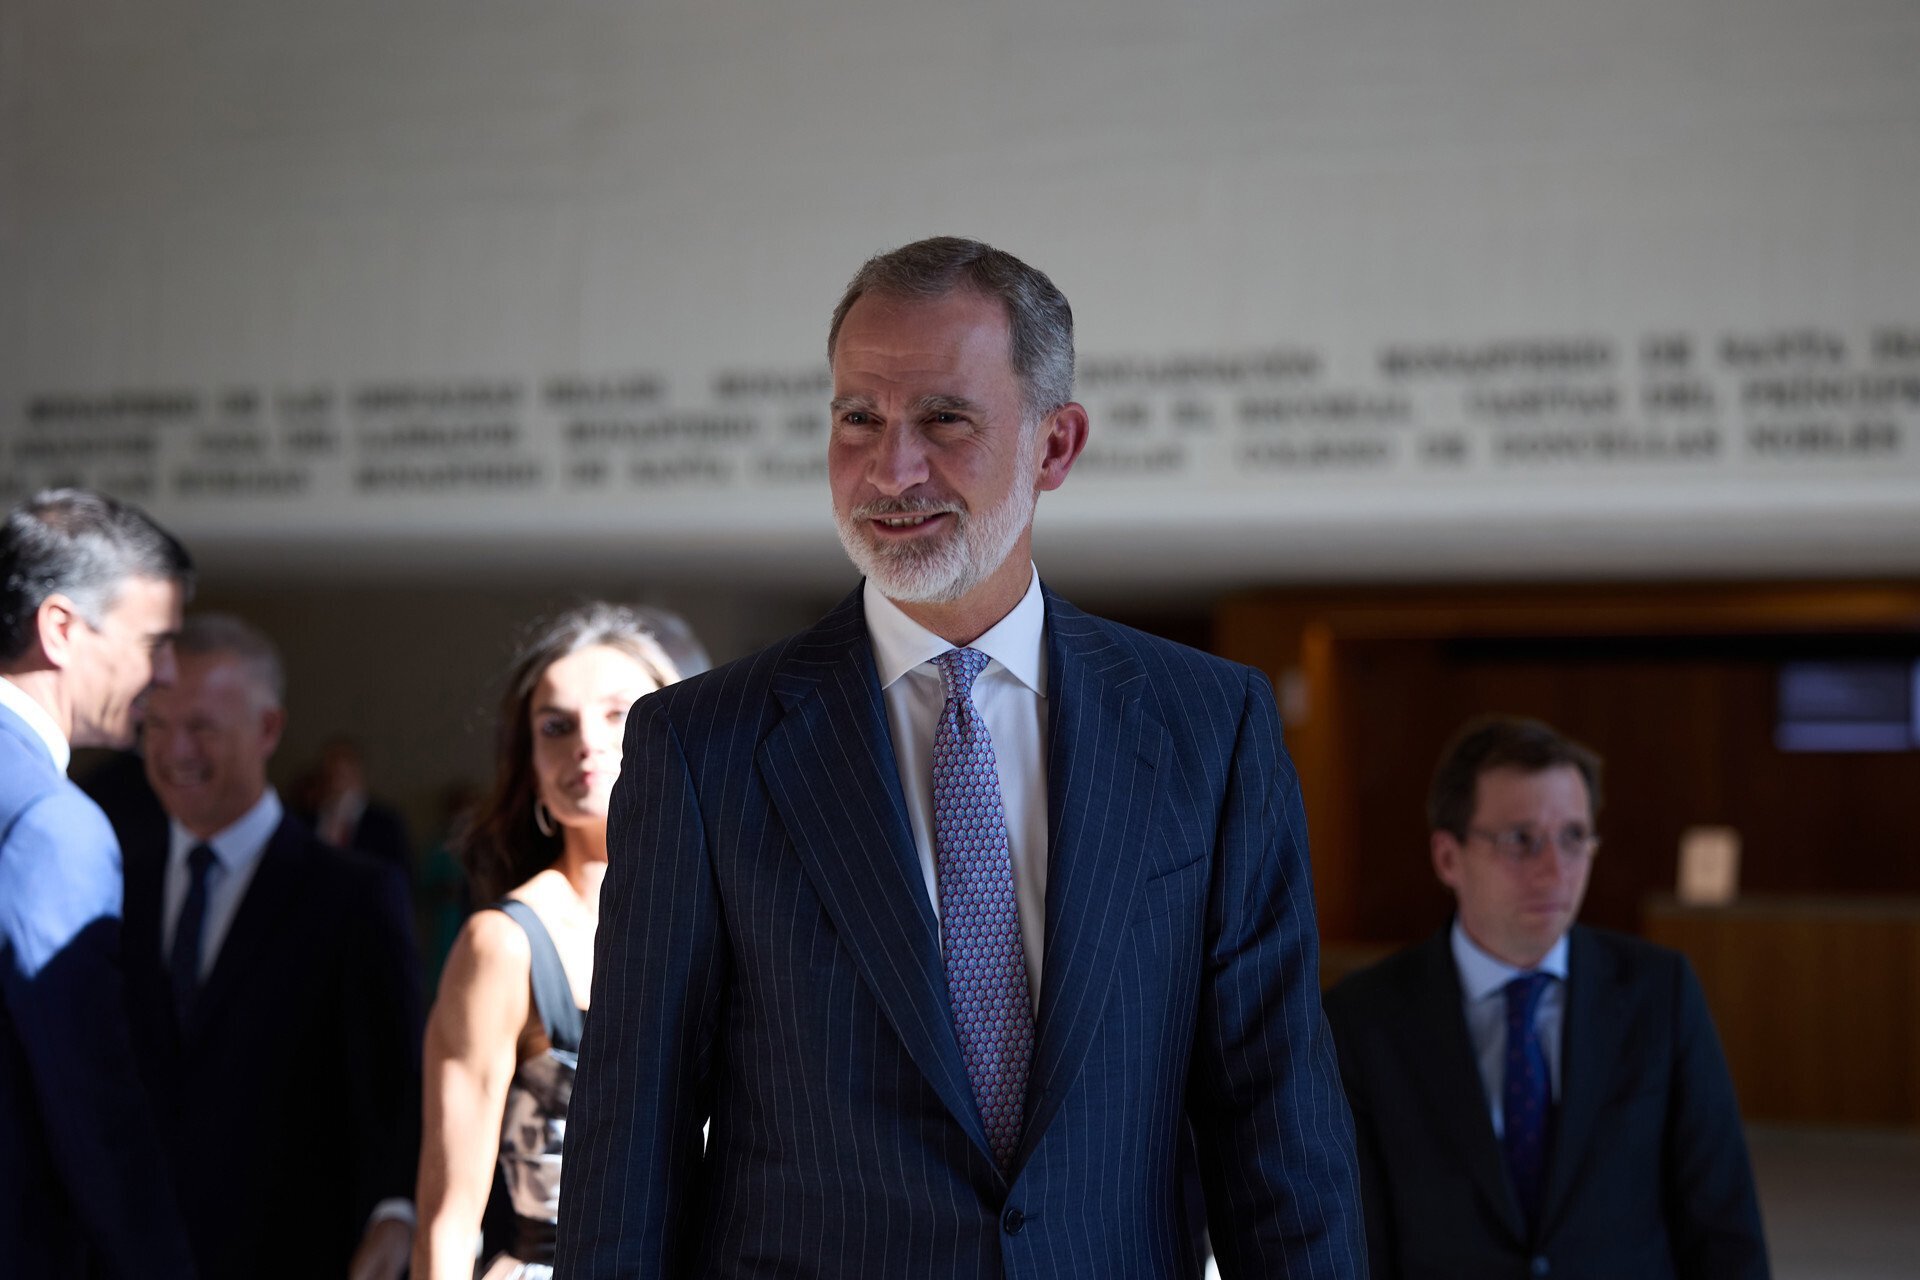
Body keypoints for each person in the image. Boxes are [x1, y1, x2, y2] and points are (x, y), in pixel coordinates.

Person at [554, 237, 1362, 1278]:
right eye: (859, 418)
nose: (891, 470)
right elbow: (631, 1144)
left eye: (944, 418)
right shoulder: (701, 748)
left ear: (1055, 445)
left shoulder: (1209, 728)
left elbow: (1277, 1123)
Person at [1322, 715, 1769, 1280]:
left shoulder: (1660, 993)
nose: (1555, 871)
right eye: (1520, 840)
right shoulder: (1362, 1019)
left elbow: (1724, 1226)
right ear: (1448, 858)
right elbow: (1357, 1244)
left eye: (1574, 837)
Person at [108, 613, 424, 1280]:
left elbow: (392, 1081)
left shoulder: (354, 895)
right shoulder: (111, 879)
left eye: (201, 727)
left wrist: (395, 1210)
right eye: (156, 726)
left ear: (268, 729)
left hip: (292, 1253)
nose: (174, 751)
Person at [415, 604, 693, 1280]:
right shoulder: (505, 943)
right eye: (556, 726)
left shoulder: (737, 911)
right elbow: (448, 1220)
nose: (586, 743)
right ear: (531, 765)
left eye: (619, 714)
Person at [0, 488, 199, 1279]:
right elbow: (88, 1098)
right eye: (156, 643)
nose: (168, 674)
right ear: (60, 628)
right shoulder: (52, 823)